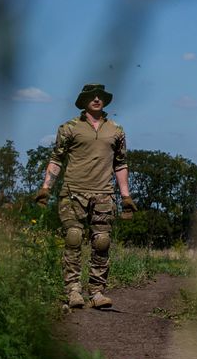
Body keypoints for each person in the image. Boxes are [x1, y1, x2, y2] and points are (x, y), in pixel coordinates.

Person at [40, 82, 131, 310]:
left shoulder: (116, 129)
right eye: (92, 96)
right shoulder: (69, 128)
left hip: (103, 194)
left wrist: (126, 196)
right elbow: (56, 159)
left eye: (101, 95)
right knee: (73, 237)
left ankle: (97, 292)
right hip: (73, 192)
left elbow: (120, 164)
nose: (97, 99)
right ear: (83, 101)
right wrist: (46, 188)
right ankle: (73, 291)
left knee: (102, 241)